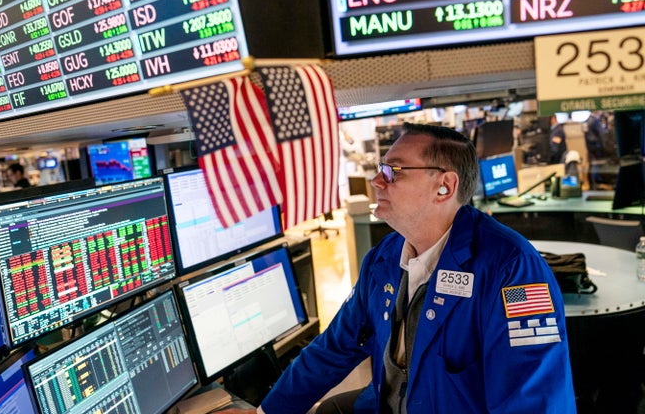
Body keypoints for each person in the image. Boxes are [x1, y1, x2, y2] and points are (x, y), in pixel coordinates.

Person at [221, 122, 575, 414]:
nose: (378, 181)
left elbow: (534, 402)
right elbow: (334, 348)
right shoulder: (384, 258)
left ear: (445, 186)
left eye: (394, 171)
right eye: (381, 170)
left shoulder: (512, 269)